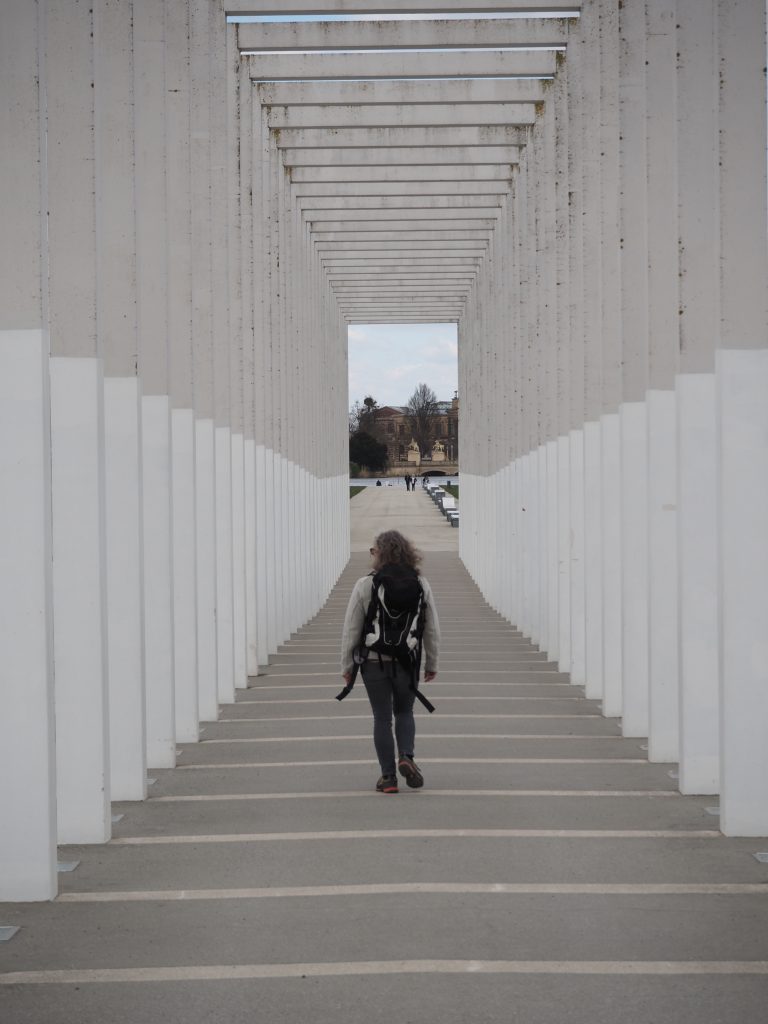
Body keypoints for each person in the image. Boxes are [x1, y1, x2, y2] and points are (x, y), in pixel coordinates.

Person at [340, 530, 440, 794]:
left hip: (374, 662)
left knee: (382, 718)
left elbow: (351, 629)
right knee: (405, 712)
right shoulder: (420, 583)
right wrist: (432, 662)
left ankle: (388, 777)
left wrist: (347, 668)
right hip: (407, 661)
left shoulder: (365, 584)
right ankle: (406, 755)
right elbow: (431, 628)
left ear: (379, 554)